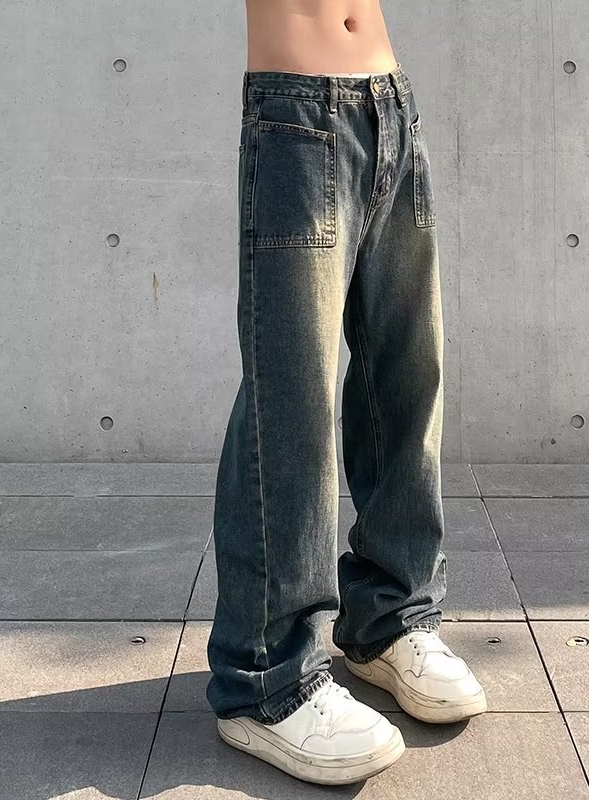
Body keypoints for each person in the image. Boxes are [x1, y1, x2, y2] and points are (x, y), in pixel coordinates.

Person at [206, 0, 487, 785]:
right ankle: (266, 676)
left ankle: (391, 616)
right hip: (295, 117)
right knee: (289, 397)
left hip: (390, 106)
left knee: (405, 378)